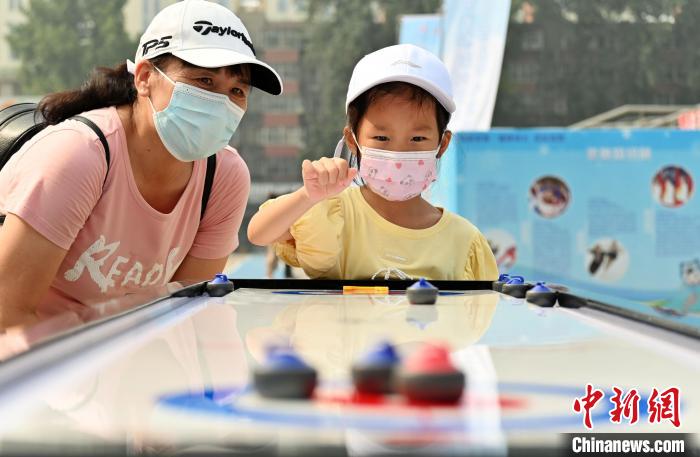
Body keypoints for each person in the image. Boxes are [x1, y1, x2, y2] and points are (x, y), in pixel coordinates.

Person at [0, 0, 283, 329]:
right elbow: (8, 314)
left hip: (123, 353)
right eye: (205, 80)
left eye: (236, 90)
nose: (221, 102)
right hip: (43, 356)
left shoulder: (224, 177)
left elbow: (185, 316)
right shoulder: (80, 154)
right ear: (145, 77)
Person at [247, 44, 497, 280]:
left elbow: (487, 308)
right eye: (381, 138)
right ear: (352, 140)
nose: (398, 153)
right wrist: (308, 196)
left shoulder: (465, 243)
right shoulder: (333, 212)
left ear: (442, 144)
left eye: (417, 138)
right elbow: (259, 233)